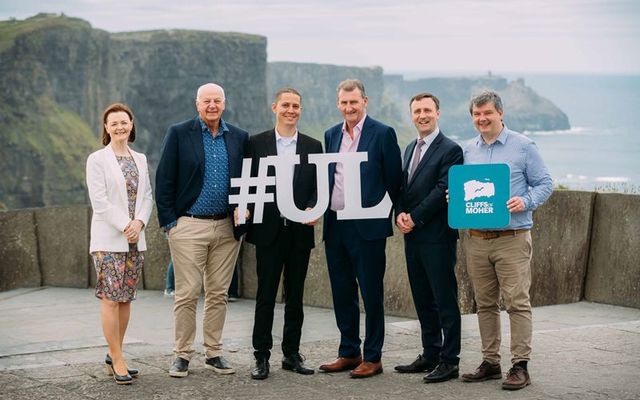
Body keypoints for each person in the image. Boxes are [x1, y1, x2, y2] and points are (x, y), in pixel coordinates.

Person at [460, 91, 552, 391]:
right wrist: (455, 198)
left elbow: (545, 183)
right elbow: (468, 191)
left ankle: (520, 365)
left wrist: (525, 201)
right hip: (476, 239)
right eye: (477, 114)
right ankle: (490, 362)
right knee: (484, 304)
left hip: (512, 238)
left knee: (517, 303)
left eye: (487, 113)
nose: (482, 119)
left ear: (500, 113)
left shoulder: (523, 146)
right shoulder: (467, 150)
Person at [155, 83, 249, 378]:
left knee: (219, 293)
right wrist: (171, 223)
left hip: (226, 227)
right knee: (186, 294)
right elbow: (165, 177)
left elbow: (248, 177)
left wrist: (244, 209)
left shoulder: (239, 137)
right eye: (206, 101)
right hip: (189, 225)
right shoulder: (179, 133)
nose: (212, 105)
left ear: (224, 104)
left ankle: (214, 352)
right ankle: (182, 354)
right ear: (197, 104)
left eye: (217, 101)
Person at [319, 79, 402, 378]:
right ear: (338, 103)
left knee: (371, 292)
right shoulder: (330, 134)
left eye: (354, 102)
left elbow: (395, 181)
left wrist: (399, 214)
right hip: (335, 224)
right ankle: (349, 351)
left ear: (365, 101)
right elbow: (327, 178)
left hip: (368, 228)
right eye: (344, 102)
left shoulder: (382, 133)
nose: (349, 108)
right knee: (342, 291)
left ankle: (374, 356)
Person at [246, 87, 323, 380]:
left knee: (295, 296)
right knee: (265, 296)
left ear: (301, 110)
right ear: (274, 107)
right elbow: (248, 182)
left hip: (299, 234)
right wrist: (246, 212)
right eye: (286, 105)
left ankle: (291, 354)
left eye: (296, 106)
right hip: (268, 232)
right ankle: (261, 356)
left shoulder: (313, 146)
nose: (291, 110)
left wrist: (315, 208)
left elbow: (319, 187)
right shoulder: (256, 143)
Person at [394, 93, 463, 383]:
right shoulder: (410, 147)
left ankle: (450, 360)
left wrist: (414, 217)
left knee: (444, 300)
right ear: (412, 115)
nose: (422, 115)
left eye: (427, 110)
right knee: (423, 299)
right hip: (413, 238)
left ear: (438, 113)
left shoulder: (451, 149)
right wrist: (399, 212)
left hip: (437, 237)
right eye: (417, 111)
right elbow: (403, 186)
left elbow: (442, 190)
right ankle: (430, 353)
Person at [86, 103, 154, 385]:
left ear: (131, 124)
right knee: (111, 298)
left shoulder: (140, 158)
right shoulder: (97, 160)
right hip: (108, 239)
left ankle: (115, 351)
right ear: (106, 128)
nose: (119, 127)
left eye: (123, 122)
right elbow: (99, 202)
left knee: (126, 298)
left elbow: (147, 196)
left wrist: (138, 223)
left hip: (135, 240)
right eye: (113, 123)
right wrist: (125, 225)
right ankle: (117, 359)